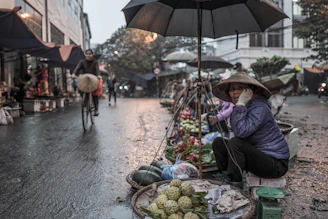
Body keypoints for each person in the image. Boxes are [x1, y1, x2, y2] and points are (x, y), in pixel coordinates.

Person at [211, 72, 290, 188]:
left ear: (250, 91)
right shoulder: (243, 106)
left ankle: (234, 185)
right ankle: (227, 176)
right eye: (232, 89)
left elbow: (241, 132)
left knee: (235, 143)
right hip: (259, 155)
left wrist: (241, 103)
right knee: (219, 143)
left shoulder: (260, 107)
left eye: (240, 88)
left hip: (275, 164)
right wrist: (240, 105)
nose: (235, 92)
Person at [73, 49, 101, 116]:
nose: (88, 55)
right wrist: (74, 74)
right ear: (85, 55)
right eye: (87, 54)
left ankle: (96, 109)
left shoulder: (95, 62)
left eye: (90, 54)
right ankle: (85, 101)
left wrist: (99, 75)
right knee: (80, 89)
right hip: (85, 79)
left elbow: (97, 69)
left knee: (95, 94)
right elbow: (77, 68)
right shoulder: (82, 62)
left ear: (92, 55)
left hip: (93, 79)